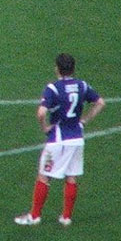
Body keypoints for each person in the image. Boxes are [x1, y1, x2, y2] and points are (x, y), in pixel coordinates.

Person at [14, 53, 105, 226]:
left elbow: (41, 112)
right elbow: (100, 102)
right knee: (71, 177)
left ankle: (34, 216)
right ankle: (66, 217)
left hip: (58, 140)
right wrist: (84, 120)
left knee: (44, 176)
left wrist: (44, 127)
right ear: (73, 69)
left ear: (57, 68)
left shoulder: (53, 88)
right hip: (77, 139)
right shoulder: (82, 85)